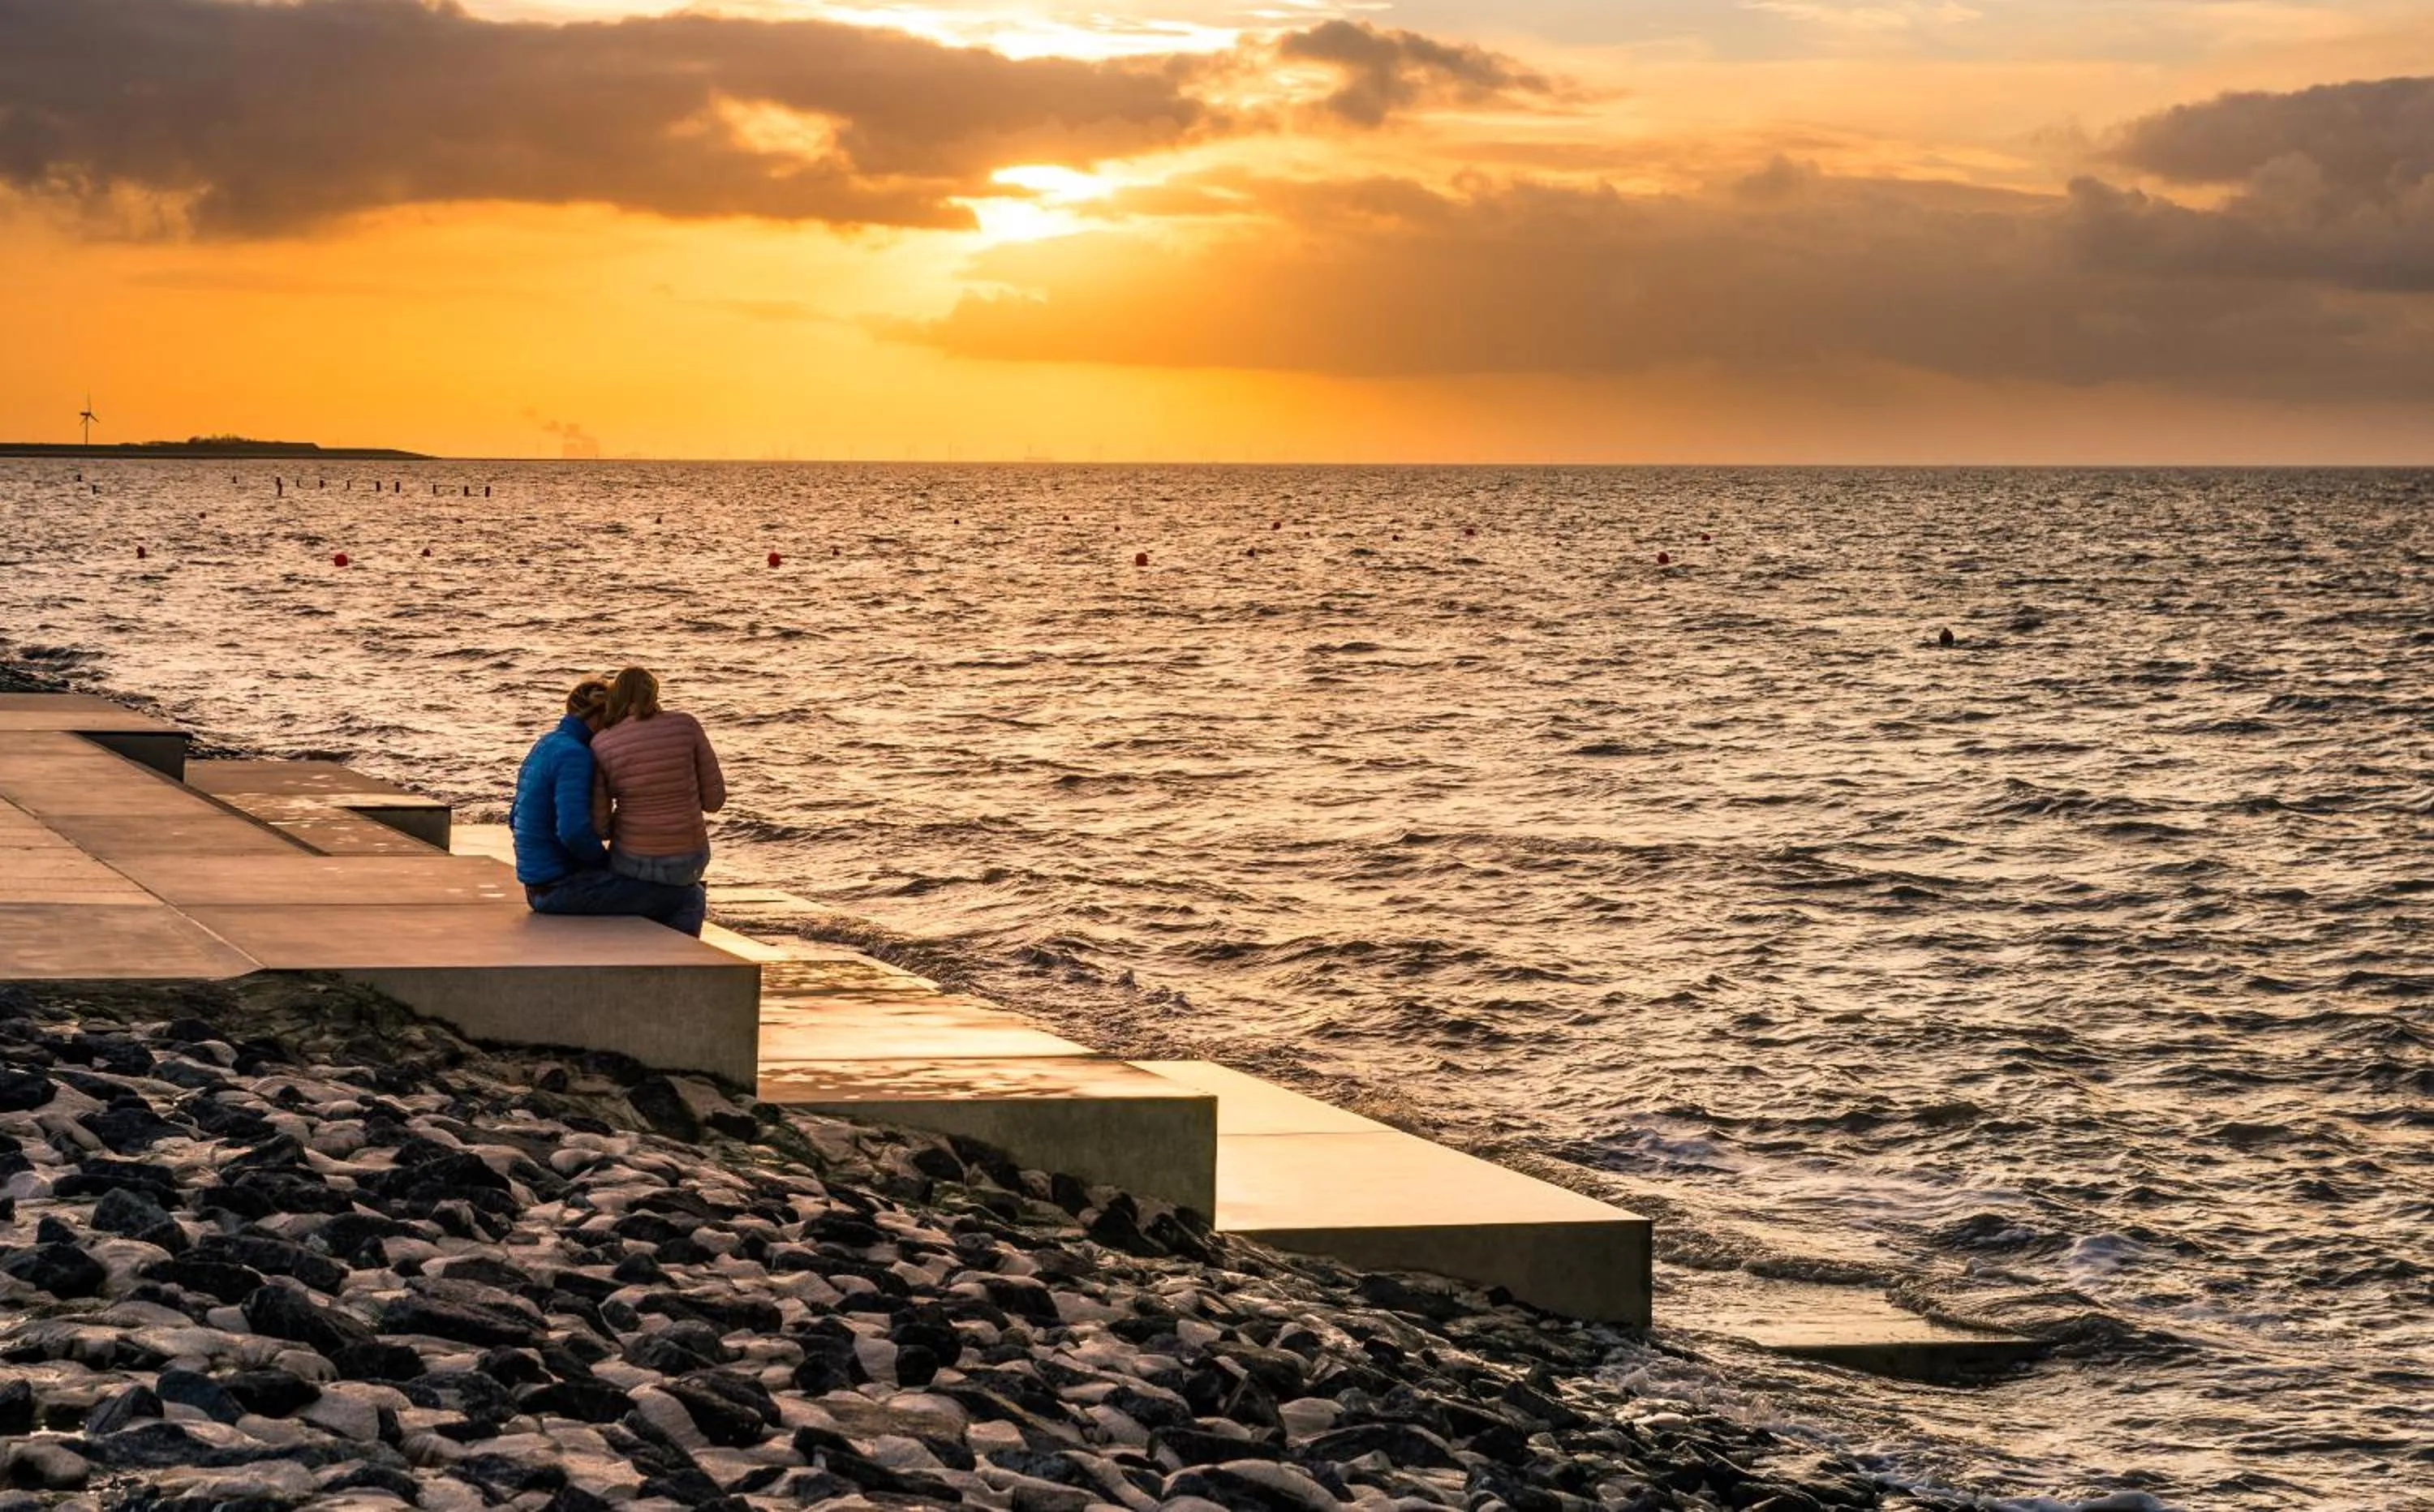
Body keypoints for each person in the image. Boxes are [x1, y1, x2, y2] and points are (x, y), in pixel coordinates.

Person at [509, 676, 705, 934]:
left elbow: (513, 818)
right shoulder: (575, 756)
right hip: (561, 888)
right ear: (600, 715)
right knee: (690, 897)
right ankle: (676, 971)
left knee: (653, 890)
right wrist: (605, 862)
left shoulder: (547, 744)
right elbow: (572, 832)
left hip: (538, 886)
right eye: (614, 717)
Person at [589, 667, 725, 937]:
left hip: (631, 859)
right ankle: (683, 949)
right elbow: (714, 801)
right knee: (685, 895)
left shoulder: (601, 743)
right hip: (687, 858)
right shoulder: (686, 725)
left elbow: (601, 826)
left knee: (645, 900)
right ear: (654, 694)